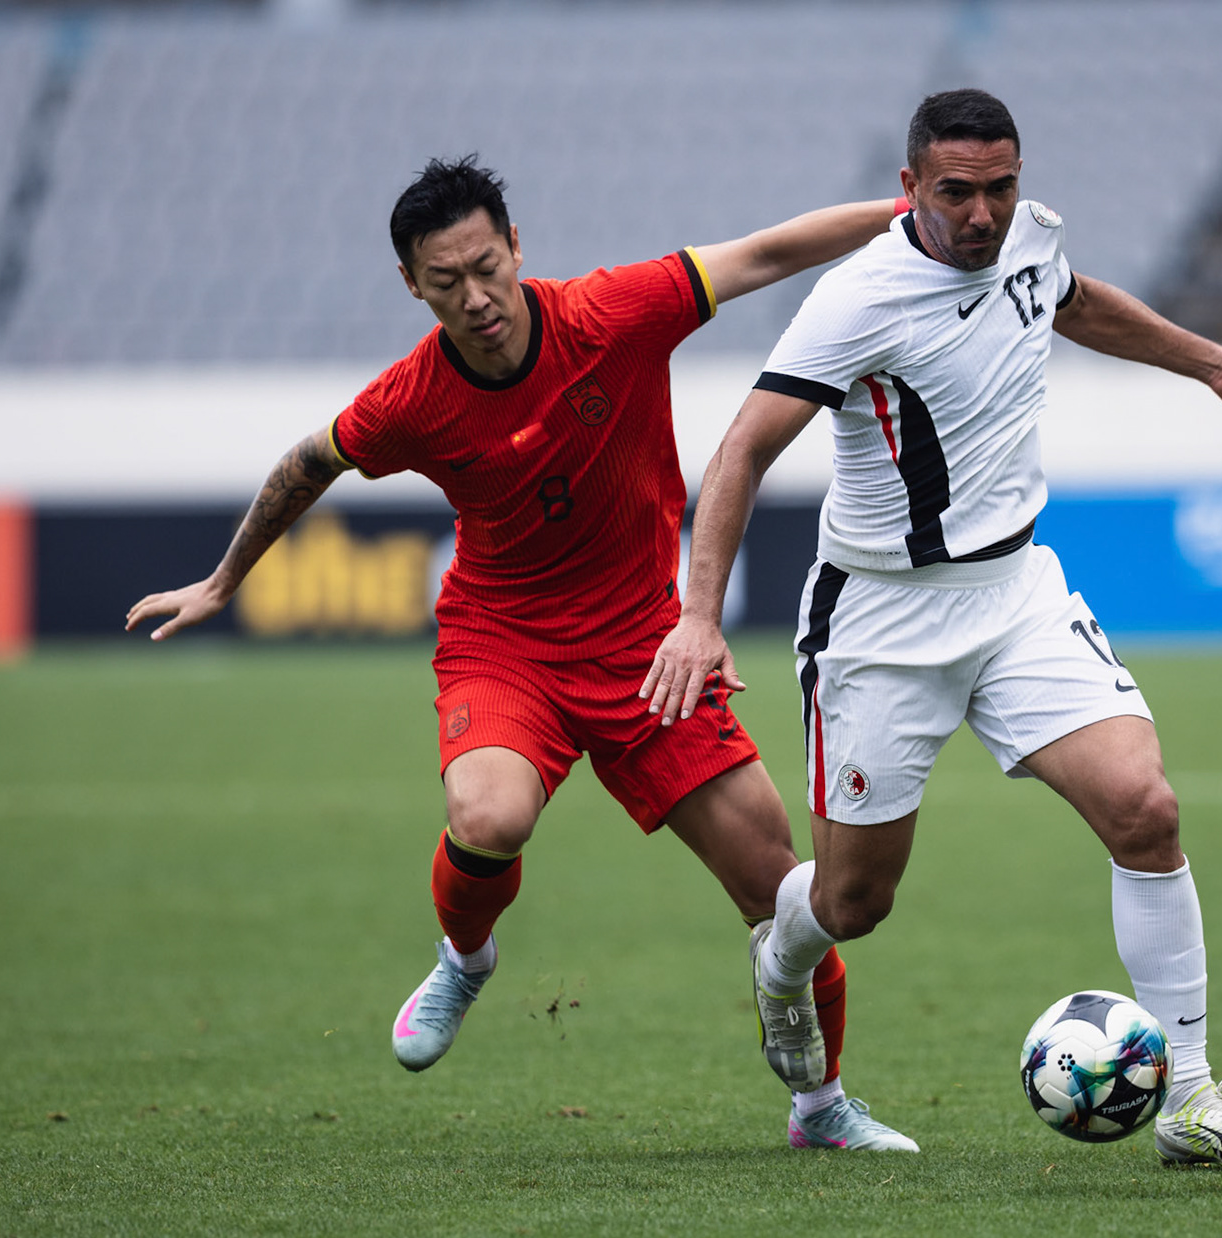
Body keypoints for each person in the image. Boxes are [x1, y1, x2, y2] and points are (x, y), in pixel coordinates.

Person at [126, 156, 919, 1152]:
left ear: (516, 248)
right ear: (412, 286)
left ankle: (821, 1107)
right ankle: (466, 955)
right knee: (489, 813)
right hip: (508, 645)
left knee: (784, 889)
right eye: (446, 280)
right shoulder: (411, 398)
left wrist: (910, 211)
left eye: (486, 265)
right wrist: (223, 578)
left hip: (645, 650)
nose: (476, 296)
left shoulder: (614, 312)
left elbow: (764, 252)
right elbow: (307, 461)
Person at [645, 90, 1222, 1167]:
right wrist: (696, 615)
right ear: (910, 188)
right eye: (957, 191)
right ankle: (783, 962)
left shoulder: (1030, 236)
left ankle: (1191, 1099)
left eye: (1000, 187)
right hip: (880, 621)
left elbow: (1076, 301)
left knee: (1146, 808)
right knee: (854, 901)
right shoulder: (858, 298)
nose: (984, 212)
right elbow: (742, 448)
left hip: (1016, 594)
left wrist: (1214, 365)